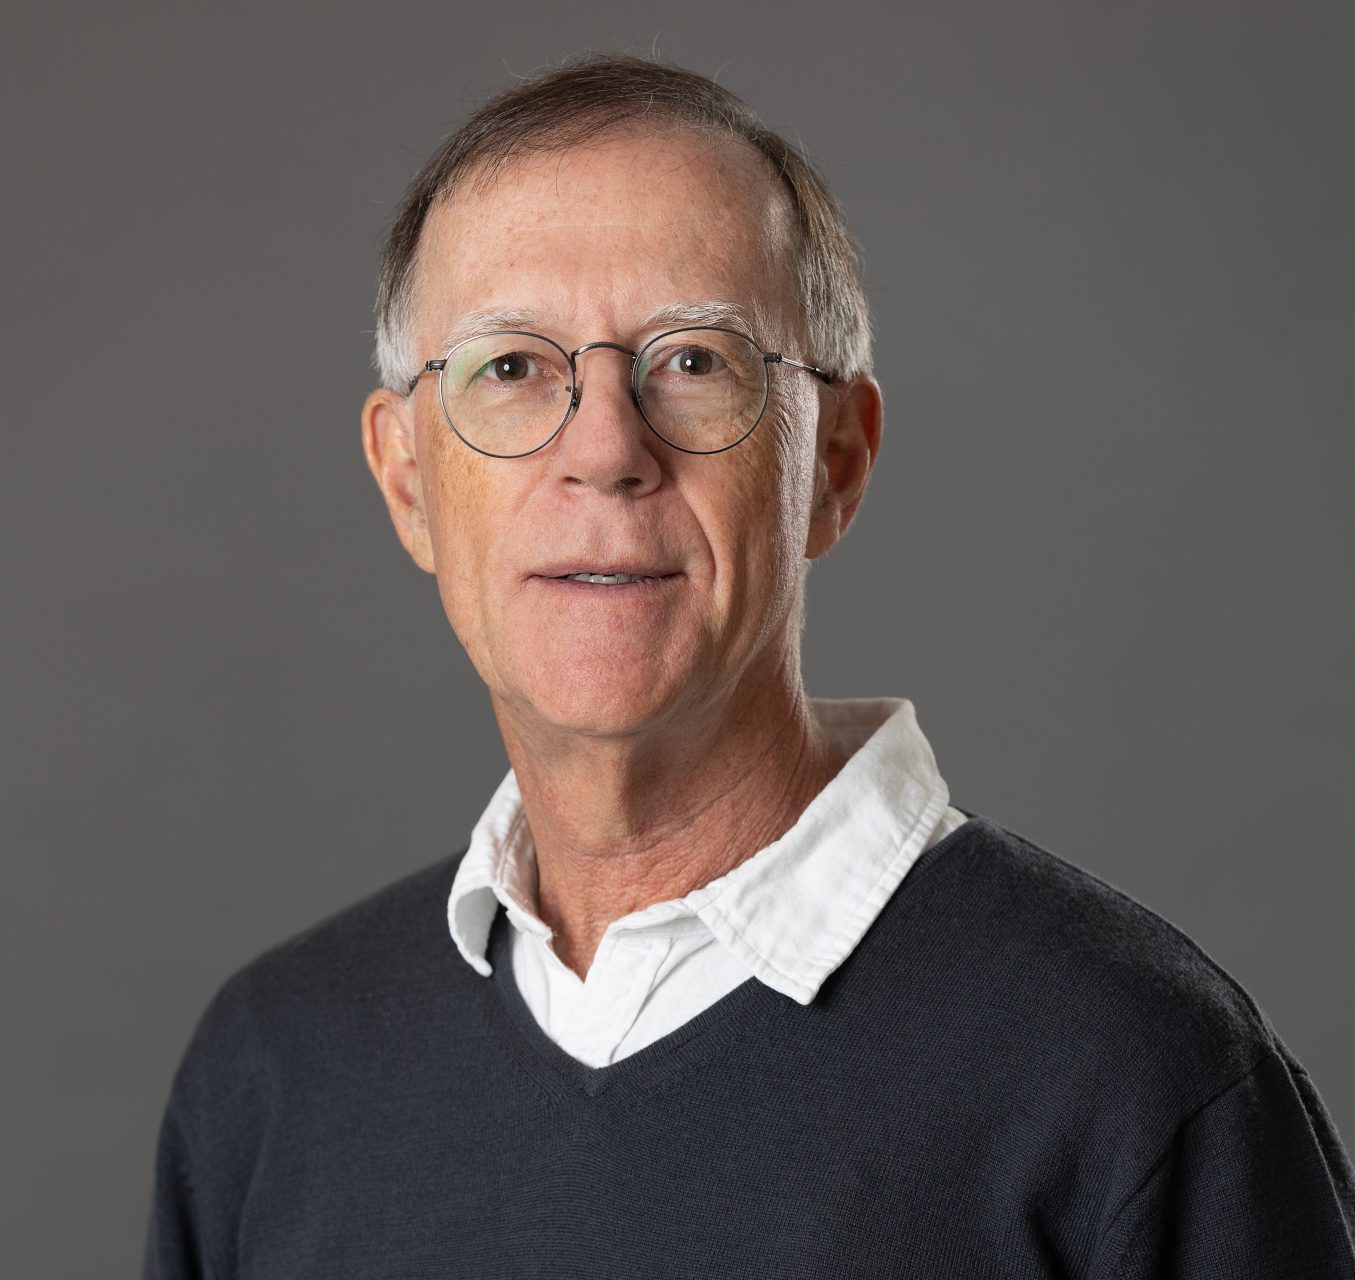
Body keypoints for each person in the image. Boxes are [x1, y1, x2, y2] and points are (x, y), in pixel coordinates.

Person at [141, 53, 1355, 1278]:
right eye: (509, 367)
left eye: (692, 360)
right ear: (407, 479)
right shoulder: (270, 1075)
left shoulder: (1138, 1078)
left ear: (834, 459)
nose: (604, 450)